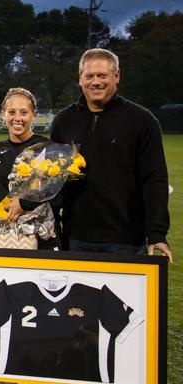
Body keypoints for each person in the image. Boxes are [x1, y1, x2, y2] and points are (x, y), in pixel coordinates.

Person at [51, 48, 172, 262]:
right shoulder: (64, 121)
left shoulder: (142, 121)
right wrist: (54, 229)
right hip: (75, 238)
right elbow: (53, 180)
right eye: (89, 76)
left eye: (102, 75)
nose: (95, 82)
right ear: (80, 79)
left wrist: (157, 232)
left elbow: (154, 179)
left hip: (126, 240)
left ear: (116, 76)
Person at [0, 87, 60, 249]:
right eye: (11, 112)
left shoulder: (48, 148)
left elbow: (58, 196)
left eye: (24, 112)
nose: (17, 118)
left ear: (34, 115)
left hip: (43, 235)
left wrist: (25, 203)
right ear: (3, 115)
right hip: (6, 237)